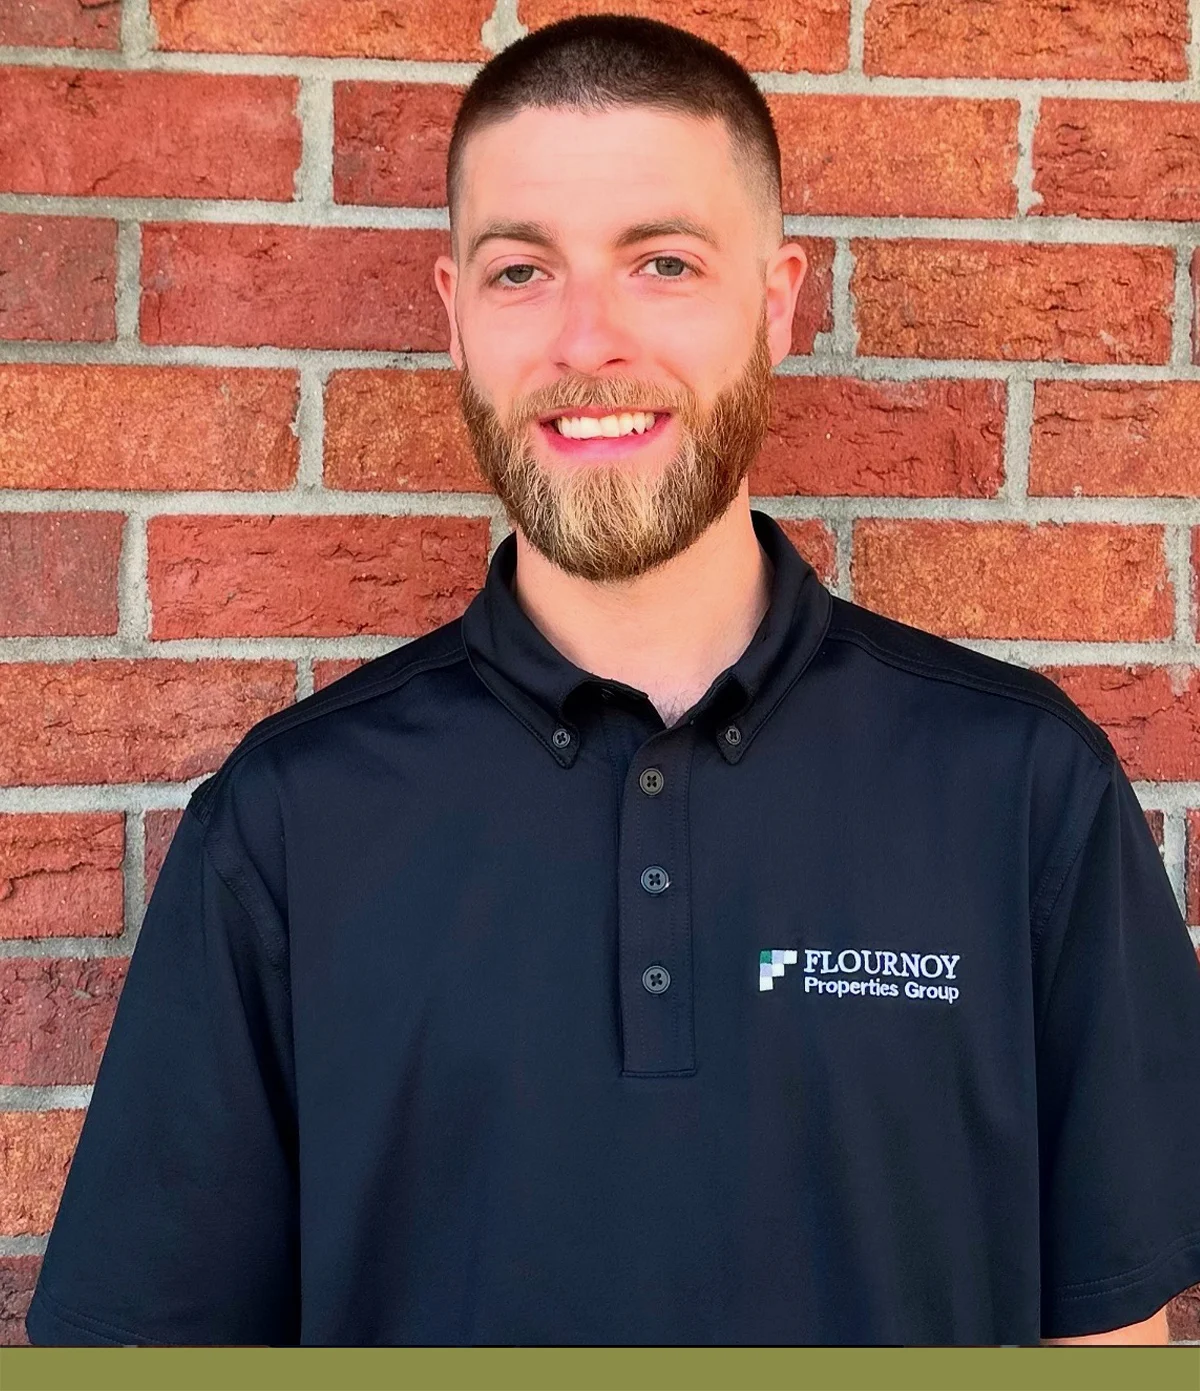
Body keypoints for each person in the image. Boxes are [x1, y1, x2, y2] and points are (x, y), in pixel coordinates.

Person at [25, 14, 1200, 1348]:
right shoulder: (288, 825)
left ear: (777, 300)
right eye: (523, 270)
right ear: (452, 314)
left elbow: (1103, 1338)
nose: (588, 341)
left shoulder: (1022, 789)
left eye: (663, 262)